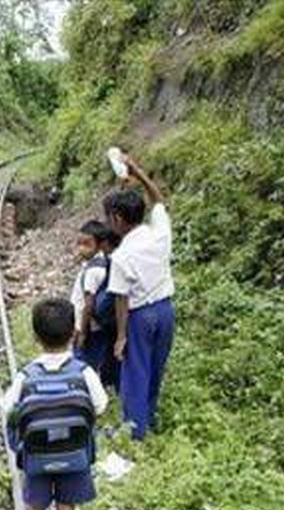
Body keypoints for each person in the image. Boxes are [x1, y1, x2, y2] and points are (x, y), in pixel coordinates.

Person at [3, 298, 108, 510]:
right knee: (66, 507)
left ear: (36, 337)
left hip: (37, 457)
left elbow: (8, 409)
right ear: (73, 332)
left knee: (35, 507)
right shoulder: (84, 373)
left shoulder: (26, 376)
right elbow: (100, 405)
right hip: (75, 456)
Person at [105, 155, 175, 439]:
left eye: (110, 217)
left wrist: (121, 336)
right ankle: (149, 418)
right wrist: (139, 173)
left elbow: (121, 299)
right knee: (156, 367)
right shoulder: (160, 233)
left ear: (118, 219)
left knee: (135, 371)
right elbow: (158, 201)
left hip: (140, 316)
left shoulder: (122, 255)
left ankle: (134, 432)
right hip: (166, 311)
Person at [71, 220, 117, 387]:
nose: (82, 248)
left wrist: (82, 332)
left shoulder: (93, 271)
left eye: (87, 244)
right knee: (94, 363)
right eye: (79, 243)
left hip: (89, 329)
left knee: (82, 366)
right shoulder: (102, 263)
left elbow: (88, 304)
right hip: (97, 327)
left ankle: (84, 395)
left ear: (100, 245)